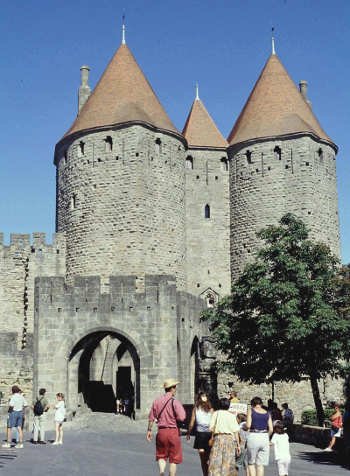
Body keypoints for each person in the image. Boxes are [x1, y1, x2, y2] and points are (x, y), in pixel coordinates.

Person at [147, 378, 186, 476]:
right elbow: (182, 417)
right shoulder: (175, 402)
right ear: (172, 388)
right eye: (175, 387)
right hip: (173, 432)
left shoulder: (157, 401)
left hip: (161, 432)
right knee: (173, 458)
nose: (175, 389)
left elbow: (151, 417)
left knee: (161, 455)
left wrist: (149, 430)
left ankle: (161, 472)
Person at [208, 397, 241, 476]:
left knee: (216, 461)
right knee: (228, 461)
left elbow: (211, 428)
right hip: (229, 439)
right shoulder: (232, 416)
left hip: (218, 438)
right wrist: (238, 445)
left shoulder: (216, 413)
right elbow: (236, 431)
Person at [187, 392, 214, 476]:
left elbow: (192, 422)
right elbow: (214, 423)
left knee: (204, 458)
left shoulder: (197, 408)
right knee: (207, 457)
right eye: (204, 396)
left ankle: (206, 474)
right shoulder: (210, 409)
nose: (204, 397)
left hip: (202, 434)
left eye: (205, 395)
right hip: (207, 434)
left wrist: (189, 432)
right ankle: (208, 473)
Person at [246, 396, 273, 476]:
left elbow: (248, 425)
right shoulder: (267, 413)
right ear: (261, 404)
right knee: (260, 464)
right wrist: (266, 437)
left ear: (252, 404)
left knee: (251, 463)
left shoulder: (251, 411)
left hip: (254, 435)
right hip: (264, 436)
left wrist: (244, 427)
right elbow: (271, 429)